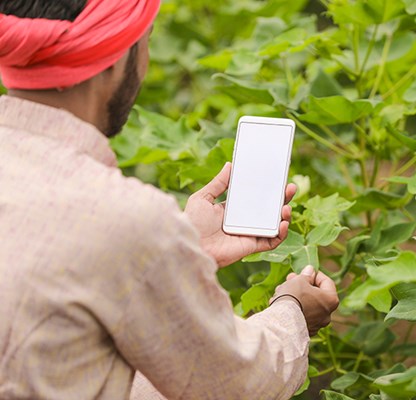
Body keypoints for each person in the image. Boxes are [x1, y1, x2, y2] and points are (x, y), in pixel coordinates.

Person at [0, 0, 339, 399]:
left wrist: (179, 245)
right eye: (145, 42)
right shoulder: (126, 219)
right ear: (113, 56)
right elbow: (230, 383)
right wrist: (294, 311)